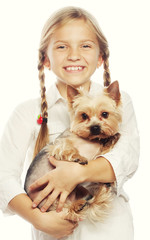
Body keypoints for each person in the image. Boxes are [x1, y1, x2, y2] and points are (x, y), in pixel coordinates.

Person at [0, 6, 140, 240]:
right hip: (53, 231)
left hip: (111, 230)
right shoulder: (27, 112)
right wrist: (38, 219)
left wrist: (77, 173)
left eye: (85, 45)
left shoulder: (119, 101)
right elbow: (3, 176)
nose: (74, 55)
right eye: (62, 46)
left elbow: (127, 157)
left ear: (100, 58)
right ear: (45, 59)